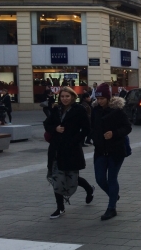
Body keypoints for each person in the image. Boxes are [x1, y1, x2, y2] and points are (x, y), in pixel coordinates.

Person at [43, 86, 93, 219]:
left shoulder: (79, 110)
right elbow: (46, 124)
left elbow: (86, 129)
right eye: (62, 96)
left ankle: (89, 189)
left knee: (71, 177)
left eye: (67, 96)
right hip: (56, 149)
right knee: (57, 178)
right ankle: (60, 207)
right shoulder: (56, 109)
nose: (64, 99)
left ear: (73, 97)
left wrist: (75, 140)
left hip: (71, 149)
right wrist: (55, 128)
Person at [91, 83, 132, 221]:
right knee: (100, 178)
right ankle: (113, 195)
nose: (100, 101)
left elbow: (127, 127)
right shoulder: (95, 110)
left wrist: (114, 133)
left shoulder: (118, 111)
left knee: (112, 178)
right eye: (98, 98)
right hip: (100, 150)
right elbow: (91, 126)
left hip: (116, 150)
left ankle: (111, 208)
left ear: (108, 98)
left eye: (102, 98)